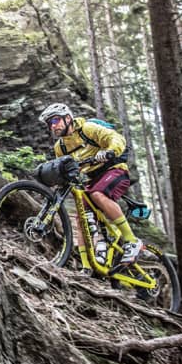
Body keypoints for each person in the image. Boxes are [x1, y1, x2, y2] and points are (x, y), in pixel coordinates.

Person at [36, 102, 144, 266]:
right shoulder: (61, 147)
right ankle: (87, 266)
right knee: (80, 219)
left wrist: (109, 151)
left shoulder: (88, 129)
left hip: (114, 170)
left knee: (97, 194)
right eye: (49, 123)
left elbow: (116, 138)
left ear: (68, 118)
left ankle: (132, 240)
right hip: (92, 179)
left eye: (55, 120)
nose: (53, 126)